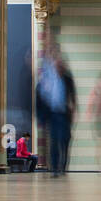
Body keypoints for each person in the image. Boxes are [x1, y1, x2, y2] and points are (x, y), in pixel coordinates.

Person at [35, 47, 77, 176]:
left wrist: (74, 110)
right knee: (54, 141)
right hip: (53, 114)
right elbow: (39, 96)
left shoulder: (67, 79)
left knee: (65, 140)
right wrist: (40, 117)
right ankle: (54, 168)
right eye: (57, 64)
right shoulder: (48, 80)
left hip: (64, 115)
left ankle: (63, 166)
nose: (59, 66)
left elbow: (73, 96)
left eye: (61, 64)